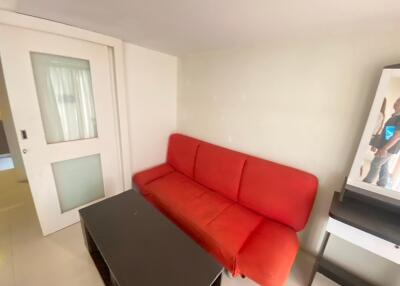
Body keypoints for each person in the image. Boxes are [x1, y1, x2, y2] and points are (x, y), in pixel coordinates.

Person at [363, 97, 400, 187]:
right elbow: (388, 134)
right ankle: (382, 184)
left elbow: (397, 136)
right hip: (387, 147)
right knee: (384, 165)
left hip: (389, 148)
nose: (395, 104)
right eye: (396, 101)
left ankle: (367, 183)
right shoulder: (394, 116)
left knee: (376, 163)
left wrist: (384, 148)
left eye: (398, 103)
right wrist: (379, 145)